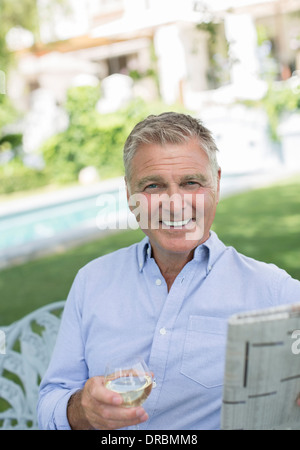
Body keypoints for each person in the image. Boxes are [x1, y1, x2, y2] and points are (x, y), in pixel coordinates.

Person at [37, 112, 300, 430]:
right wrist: (80, 410)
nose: (174, 204)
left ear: (216, 183)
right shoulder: (91, 281)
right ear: (129, 194)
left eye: (191, 183)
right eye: (153, 186)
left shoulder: (271, 289)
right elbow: (51, 400)